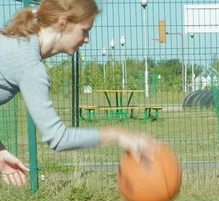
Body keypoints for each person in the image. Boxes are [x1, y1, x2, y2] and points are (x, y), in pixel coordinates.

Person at [0, 0, 157, 181]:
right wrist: (119, 135)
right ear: (63, 23)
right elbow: (58, 138)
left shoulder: (18, 46)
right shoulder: (30, 66)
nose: (87, 39)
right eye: (84, 30)